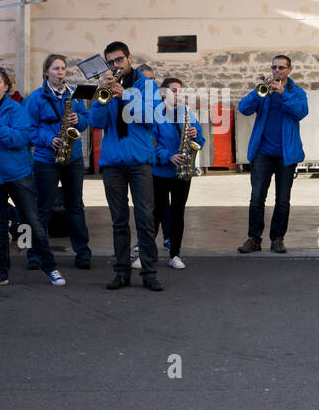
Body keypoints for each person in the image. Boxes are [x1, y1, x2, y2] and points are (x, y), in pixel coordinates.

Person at [0, 66, 64, 287]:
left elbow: (22, 139)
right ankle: (0, 273)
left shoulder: (16, 109)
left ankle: (50, 267)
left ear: (6, 87)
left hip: (17, 173)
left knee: (33, 221)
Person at [89, 41, 164, 291]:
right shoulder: (106, 87)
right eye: (110, 62)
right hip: (113, 162)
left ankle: (149, 272)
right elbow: (96, 123)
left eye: (119, 60)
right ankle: (121, 271)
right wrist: (101, 97)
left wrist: (127, 94)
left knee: (145, 217)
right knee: (118, 220)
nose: (115, 65)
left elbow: (154, 117)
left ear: (130, 58)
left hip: (140, 160)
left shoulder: (147, 85)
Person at [25, 55, 92, 270]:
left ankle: (82, 252)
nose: (60, 72)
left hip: (72, 158)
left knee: (76, 206)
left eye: (63, 69)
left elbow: (85, 121)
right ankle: (34, 253)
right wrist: (48, 140)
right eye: (56, 69)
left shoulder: (74, 95)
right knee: (41, 208)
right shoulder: (35, 98)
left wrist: (78, 120)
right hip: (46, 158)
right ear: (46, 72)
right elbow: (29, 130)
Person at [237, 55, 309, 254]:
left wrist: (283, 94)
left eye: (282, 68)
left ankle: (277, 239)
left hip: (286, 154)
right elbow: (243, 108)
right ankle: (254, 239)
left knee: (283, 199)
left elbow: (300, 112)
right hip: (263, 153)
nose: (277, 71)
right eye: (274, 67)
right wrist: (258, 92)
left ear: (289, 70)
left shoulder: (297, 93)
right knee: (257, 197)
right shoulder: (264, 91)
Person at [151, 77, 204, 270]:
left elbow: (201, 139)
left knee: (178, 213)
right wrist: (168, 156)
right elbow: (151, 143)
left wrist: (195, 134)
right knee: (155, 213)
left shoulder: (187, 112)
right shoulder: (155, 114)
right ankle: (147, 253)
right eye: (173, 90)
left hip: (183, 171)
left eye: (180, 90)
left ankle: (175, 254)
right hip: (161, 171)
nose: (178, 94)